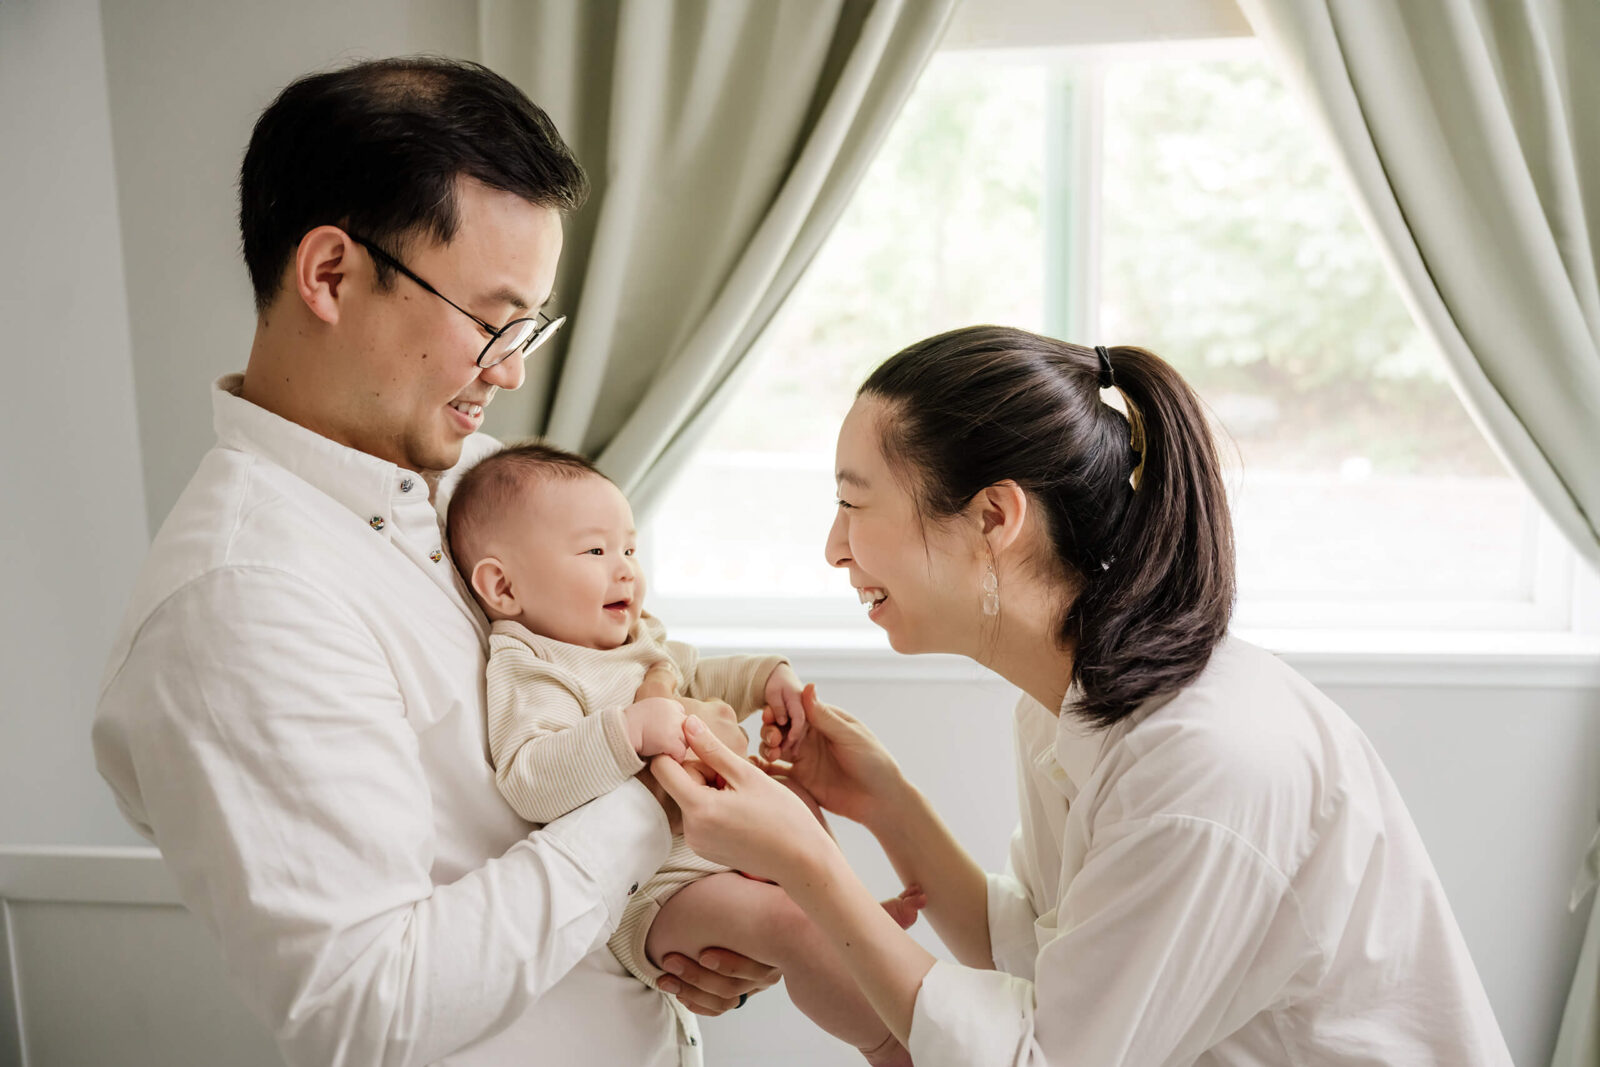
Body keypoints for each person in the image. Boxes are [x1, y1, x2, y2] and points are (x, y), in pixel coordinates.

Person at [91, 57, 775, 1067]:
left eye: (531, 322)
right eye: (493, 319)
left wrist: (675, 915)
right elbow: (370, 1006)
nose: (515, 366)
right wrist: (656, 789)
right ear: (331, 273)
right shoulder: (238, 604)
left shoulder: (480, 483)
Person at [652, 325, 1517, 1066]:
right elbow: (1042, 956)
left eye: (853, 503)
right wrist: (887, 801)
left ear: (995, 518)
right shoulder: (1070, 701)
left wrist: (806, 860)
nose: (834, 547)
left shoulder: (1203, 764)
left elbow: (1045, 1054)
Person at [445, 441, 925, 1065]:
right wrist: (632, 731)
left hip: (721, 851)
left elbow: (697, 674)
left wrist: (763, 678)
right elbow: (530, 779)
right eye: (595, 551)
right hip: (658, 891)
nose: (625, 570)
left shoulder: (635, 635)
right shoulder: (532, 664)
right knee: (792, 926)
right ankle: (892, 1044)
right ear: (503, 587)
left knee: (793, 796)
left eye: (629, 549)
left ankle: (849, 917)